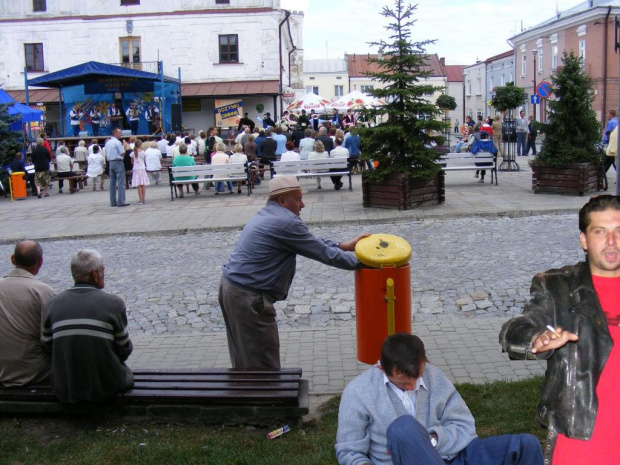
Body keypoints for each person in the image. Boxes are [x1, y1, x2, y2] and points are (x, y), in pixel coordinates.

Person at [500, 195, 620, 464]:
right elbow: (514, 330)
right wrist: (536, 339)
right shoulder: (559, 288)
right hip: (582, 443)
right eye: (600, 231)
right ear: (584, 240)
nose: (611, 241)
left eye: (619, 231)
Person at [219, 176, 368, 370]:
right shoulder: (286, 222)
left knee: (245, 358)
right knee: (262, 363)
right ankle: (266, 399)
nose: (303, 204)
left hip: (232, 289)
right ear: (282, 201)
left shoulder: (268, 214)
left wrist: (343, 245)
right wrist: (366, 263)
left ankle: (251, 396)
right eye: (297, 199)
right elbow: (324, 254)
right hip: (248, 297)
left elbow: (308, 241)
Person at [336, 333, 543, 465]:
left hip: (451, 456)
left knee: (526, 443)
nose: (412, 386)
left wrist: (433, 440)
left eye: (417, 377)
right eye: (403, 382)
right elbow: (348, 450)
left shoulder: (434, 376)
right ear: (382, 367)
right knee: (404, 427)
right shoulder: (358, 392)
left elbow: (465, 427)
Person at [42, 249, 133, 404]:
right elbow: (124, 348)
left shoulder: (53, 303)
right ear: (95, 274)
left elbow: (47, 344)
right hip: (106, 385)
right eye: (103, 269)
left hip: (66, 386)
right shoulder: (113, 304)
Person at [0, 240, 55, 387]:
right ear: (40, 262)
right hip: (34, 373)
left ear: (12, 259)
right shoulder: (43, 292)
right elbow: (51, 339)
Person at [105, 128, 130, 207]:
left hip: (110, 162)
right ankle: (121, 201)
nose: (121, 134)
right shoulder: (117, 142)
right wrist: (125, 146)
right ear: (115, 133)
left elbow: (106, 154)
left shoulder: (108, 142)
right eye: (119, 133)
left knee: (112, 183)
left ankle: (113, 201)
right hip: (118, 161)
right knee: (121, 182)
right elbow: (122, 153)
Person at [130, 139, 149, 204]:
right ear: (140, 145)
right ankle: (143, 199)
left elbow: (132, 162)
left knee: (138, 185)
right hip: (142, 168)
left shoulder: (132, 153)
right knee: (143, 184)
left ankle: (140, 199)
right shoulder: (143, 152)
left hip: (136, 169)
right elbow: (144, 160)